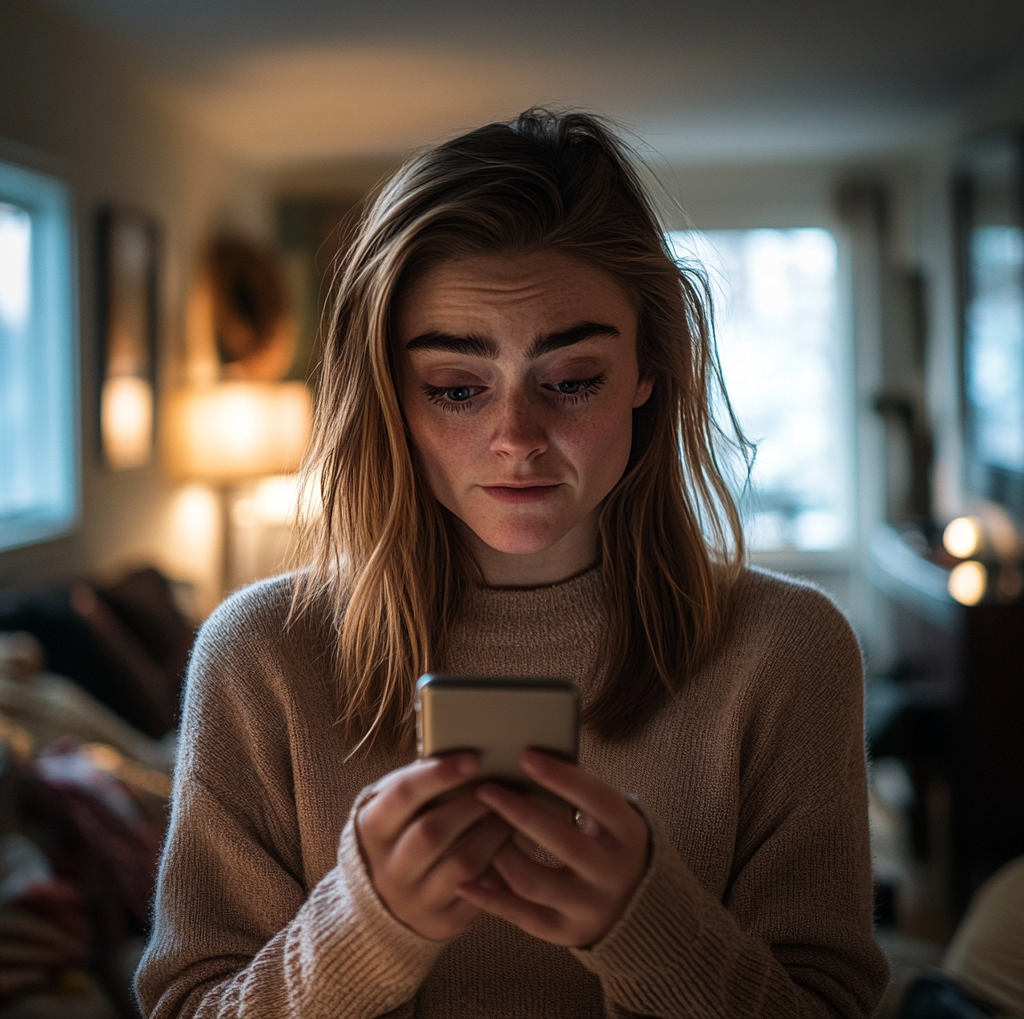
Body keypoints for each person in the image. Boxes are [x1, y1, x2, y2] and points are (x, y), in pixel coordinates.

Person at [136, 109, 889, 1018]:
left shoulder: (787, 651)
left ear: (650, 369)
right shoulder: (260, 656)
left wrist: (651, 930)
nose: (516, 441)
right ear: (391, 398)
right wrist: (362, 931)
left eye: (571, 380)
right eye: (457, 389)